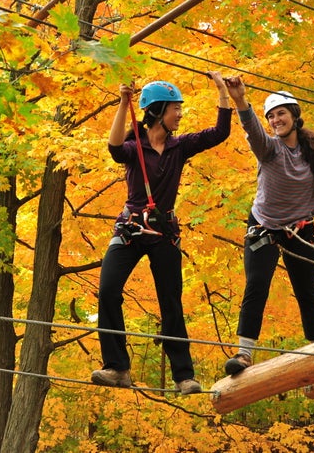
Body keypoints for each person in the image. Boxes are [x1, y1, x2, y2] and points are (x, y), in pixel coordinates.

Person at [91, 73, 233, 394]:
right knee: (108, 290)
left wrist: (222, 92)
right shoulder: (134, 146)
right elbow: (114, 147)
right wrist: (123, 103)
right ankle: (117, 367)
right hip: (130, 228)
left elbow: (220, 132)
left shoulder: (179, 147)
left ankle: (184, 375)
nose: (180, 114)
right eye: (175, 109)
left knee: (171, 301)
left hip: (163, 231)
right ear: (157, 111)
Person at [222, 78, 314, 375]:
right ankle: (245, 353)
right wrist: (240, 101)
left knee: (307, 292)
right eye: (271, 116)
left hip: (301, 230)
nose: (275, 120)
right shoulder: (268, 148)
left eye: (281, 114)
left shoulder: (313, 147)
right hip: (265, 228)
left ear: (295, 116)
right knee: (257, 285)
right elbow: (252, 128)